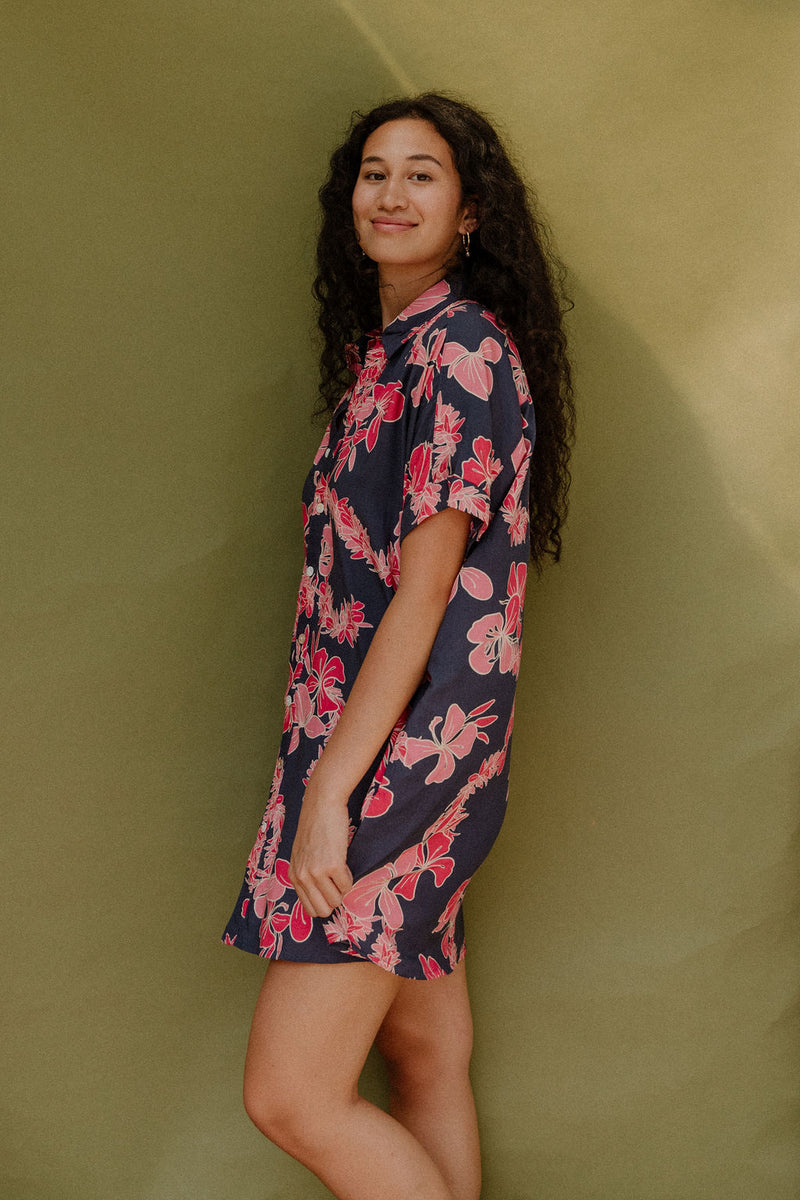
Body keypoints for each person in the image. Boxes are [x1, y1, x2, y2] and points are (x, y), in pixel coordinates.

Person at [222, 92, 574, 1200]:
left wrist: (333, 791)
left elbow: (423, 596)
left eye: (422, 173)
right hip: (366, 736)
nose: (392, 192)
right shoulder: (389, 357)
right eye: (374, 172)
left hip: (401, 758)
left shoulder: (459, 352)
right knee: (420, 1052)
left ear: (469, 213)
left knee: (291, 1095)